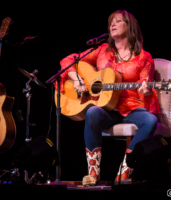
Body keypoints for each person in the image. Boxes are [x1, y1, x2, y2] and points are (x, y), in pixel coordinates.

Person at [57, 10, 160, 183]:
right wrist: (77, 79)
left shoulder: (144, 57)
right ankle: (93, 173)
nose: (112, 24)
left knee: (150, 120)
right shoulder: (102, 50)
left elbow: (145, 85)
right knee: (92, 112)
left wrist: (146, 91)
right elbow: (67, 61)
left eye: (118, 21)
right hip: (107, 108)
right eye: (111, 22)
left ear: (130, 27)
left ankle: (125, 169)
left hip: (131, 108)